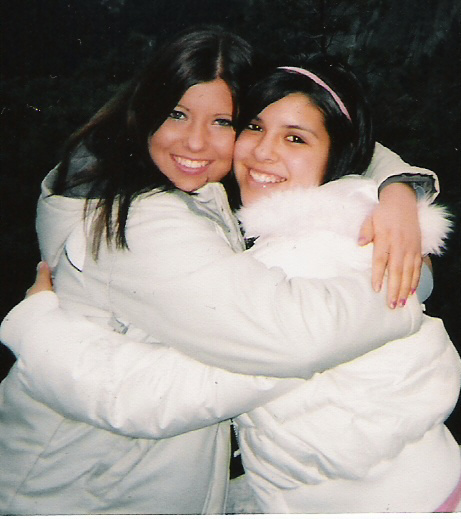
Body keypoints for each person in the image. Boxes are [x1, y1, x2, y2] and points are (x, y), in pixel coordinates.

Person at [0, 26, 440, 514]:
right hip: (75, 493)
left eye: (223, 121)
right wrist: (406, 287)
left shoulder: (199, 187)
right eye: (177, 113)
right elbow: (287, 343)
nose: (196, 142)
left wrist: (399, 190)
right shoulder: (138, 219)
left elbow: (335, 130)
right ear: (144, 110)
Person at [230, 58, 461, 512]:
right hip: (436, 483)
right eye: (254, 127)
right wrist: (399, 189)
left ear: (336, 153)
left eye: (295, 138)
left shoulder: (290, 259)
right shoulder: (356, 216)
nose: (262, 152)